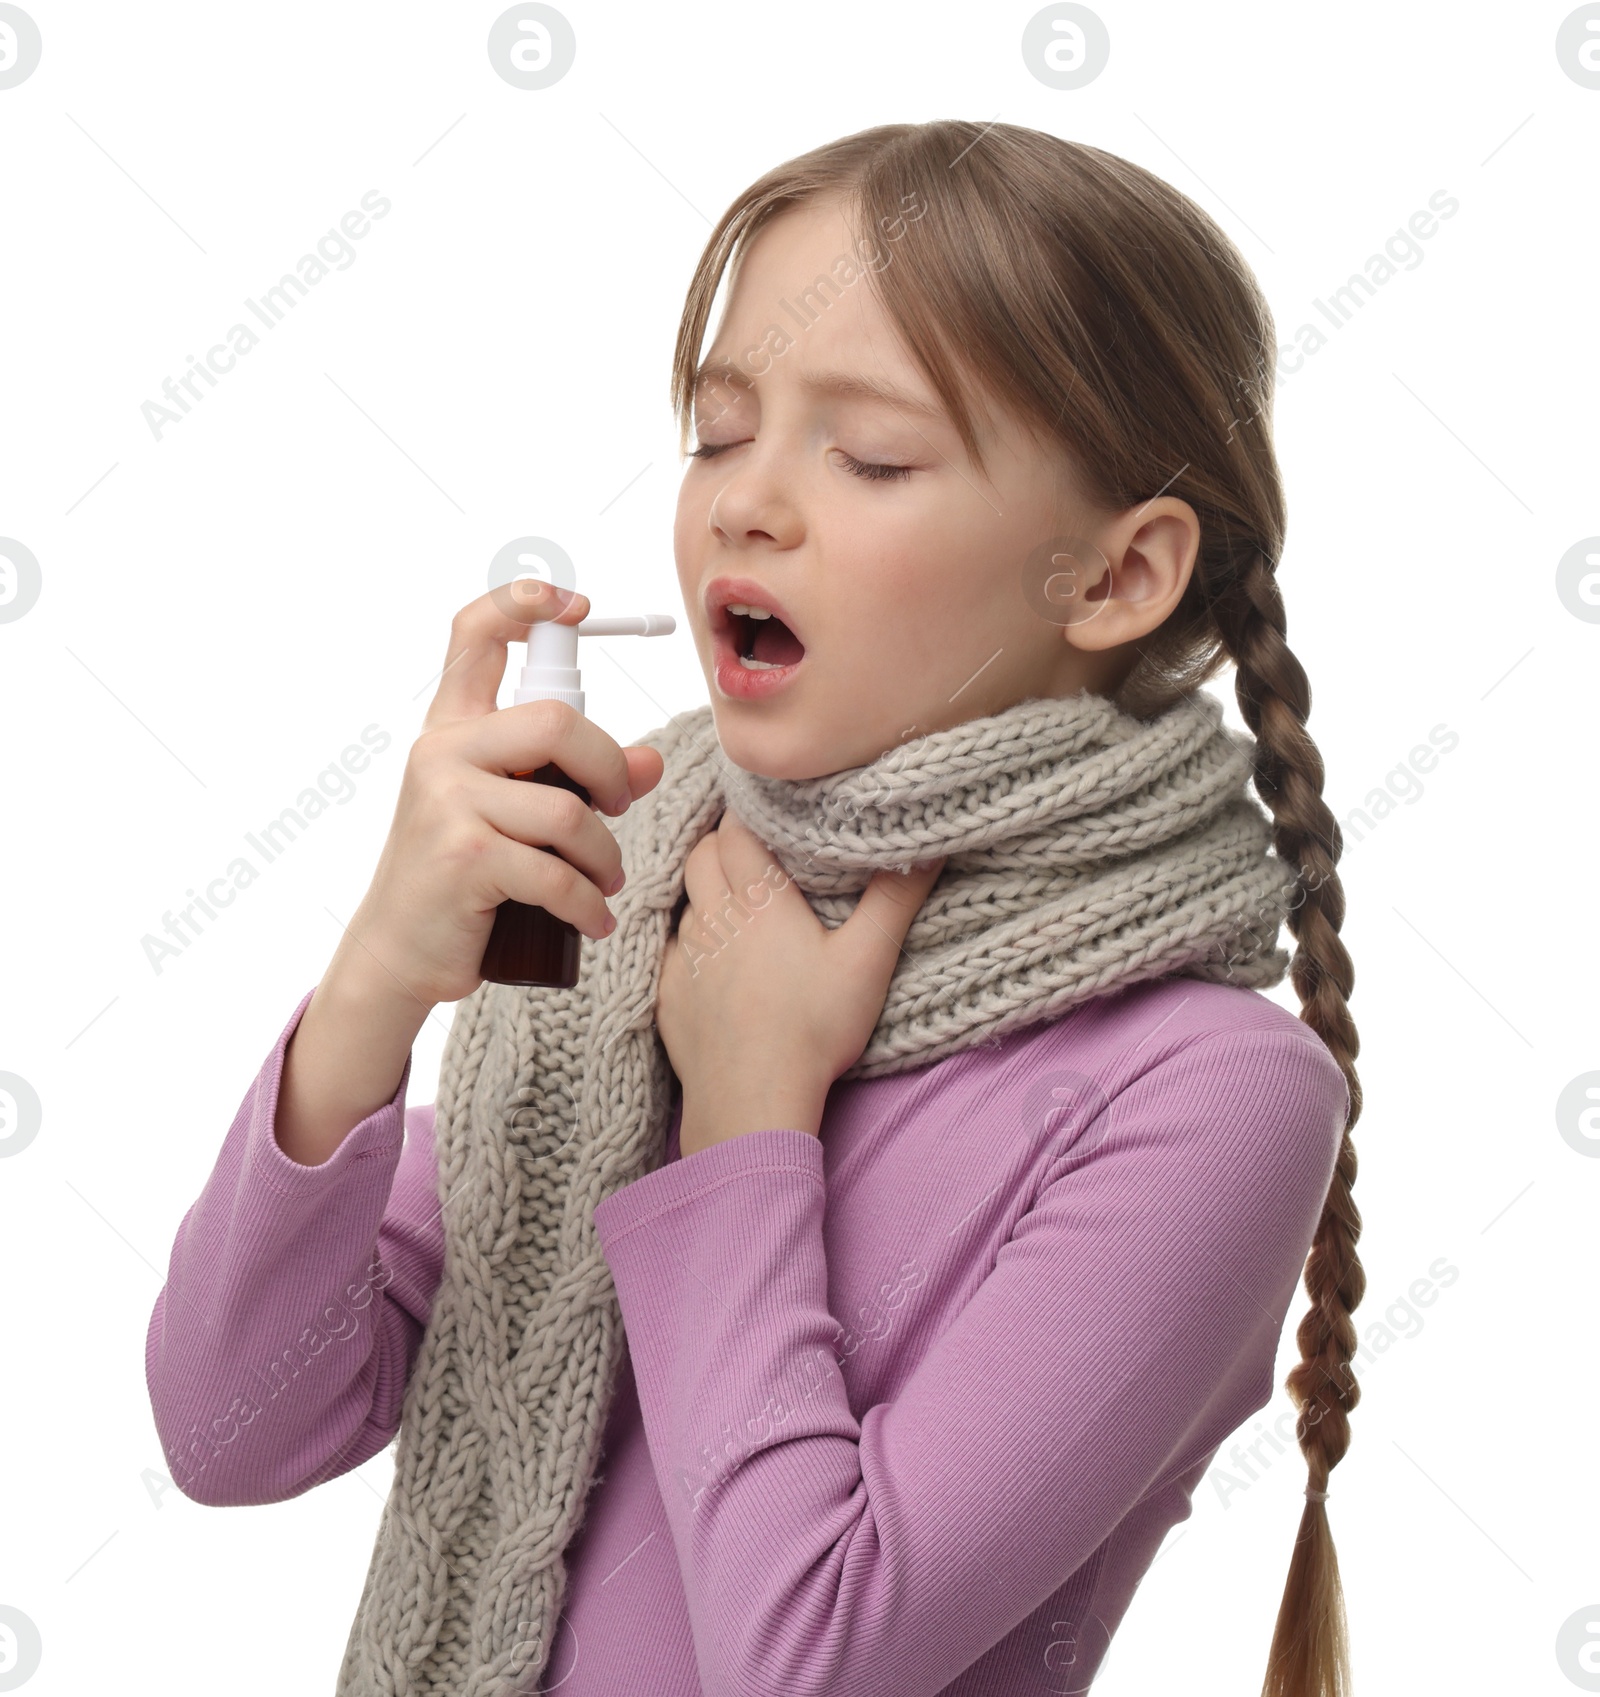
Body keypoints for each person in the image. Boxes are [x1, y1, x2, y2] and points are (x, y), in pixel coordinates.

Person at [146, 119, 1363, 1696]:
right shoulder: (648, 900)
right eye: (722, 434)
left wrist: (747, 1110)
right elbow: (232, 1427)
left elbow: (814, 1654)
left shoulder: (1211, 1097)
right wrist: (379, 977)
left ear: (1116, 576)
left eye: (867, 457)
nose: (745, 506)